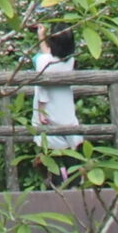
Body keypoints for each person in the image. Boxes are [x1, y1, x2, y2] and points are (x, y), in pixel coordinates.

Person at [33, 25, 81, 186]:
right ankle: (76, 186)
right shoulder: (71, 62)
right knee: (71, 155)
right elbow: (51, 57)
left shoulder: (43, 62)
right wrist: (41, 37)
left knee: (52, 156)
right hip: (66, 112)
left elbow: (43, 88)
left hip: (48, 112)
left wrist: (40, 111)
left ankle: (57, 187)